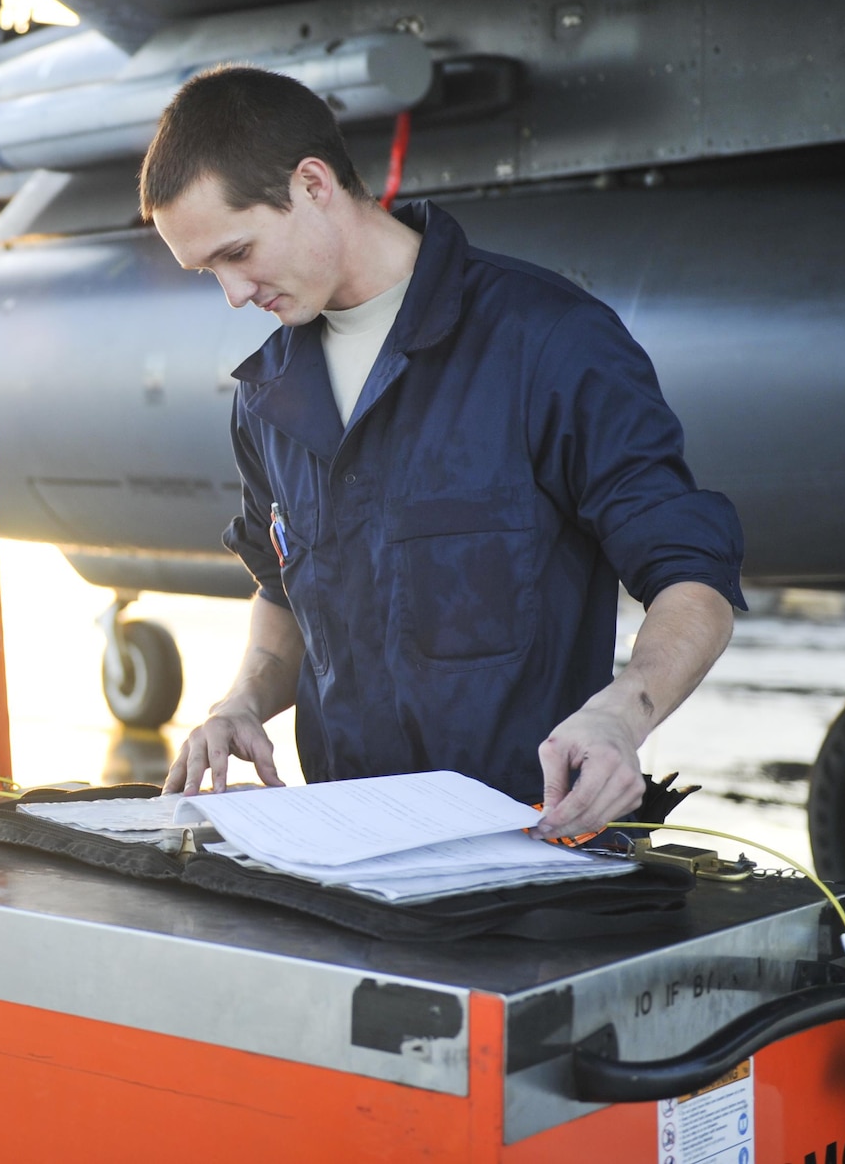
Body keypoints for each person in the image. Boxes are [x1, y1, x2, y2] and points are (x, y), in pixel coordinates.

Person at [142, 66, 745, 839]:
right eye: (208, 272)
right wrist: (242, 702)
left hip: (533, 860)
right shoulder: (267, 396)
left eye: (238, 251)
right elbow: (284, 587)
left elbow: (694, 578)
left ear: (313, 184)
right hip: (347, 853)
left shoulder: (548, 342)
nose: (232, 294)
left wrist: (619, 718)